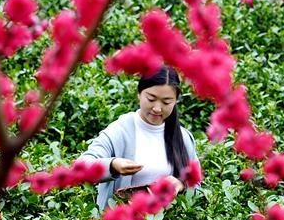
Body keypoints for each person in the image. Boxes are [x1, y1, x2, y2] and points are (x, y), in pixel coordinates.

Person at [78, 66, 199, 211]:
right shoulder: (120, 131)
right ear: (139, 94)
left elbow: (197, 187)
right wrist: (113, 165)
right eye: (151, 99)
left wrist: (181, 185)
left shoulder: (183, 138)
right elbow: (81, 167)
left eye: (166, 102)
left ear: (175, 102)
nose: (157, 108)